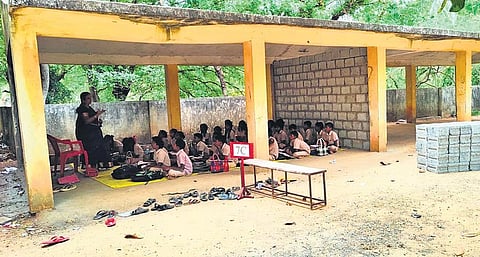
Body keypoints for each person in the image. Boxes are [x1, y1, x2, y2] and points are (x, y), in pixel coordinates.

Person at [75, 92, 112, 169]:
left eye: (90, 98)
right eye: (88, 98)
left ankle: (99, 163)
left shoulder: (89, 108)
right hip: (86, 134)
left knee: (100, 143)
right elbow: (87, 121)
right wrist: (97, 115)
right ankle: (91, 164)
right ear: (83, 100)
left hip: (92, 131)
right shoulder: (82, 109)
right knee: (93, 146)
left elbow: (92, 120)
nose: (90, 100)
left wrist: (98, 122)